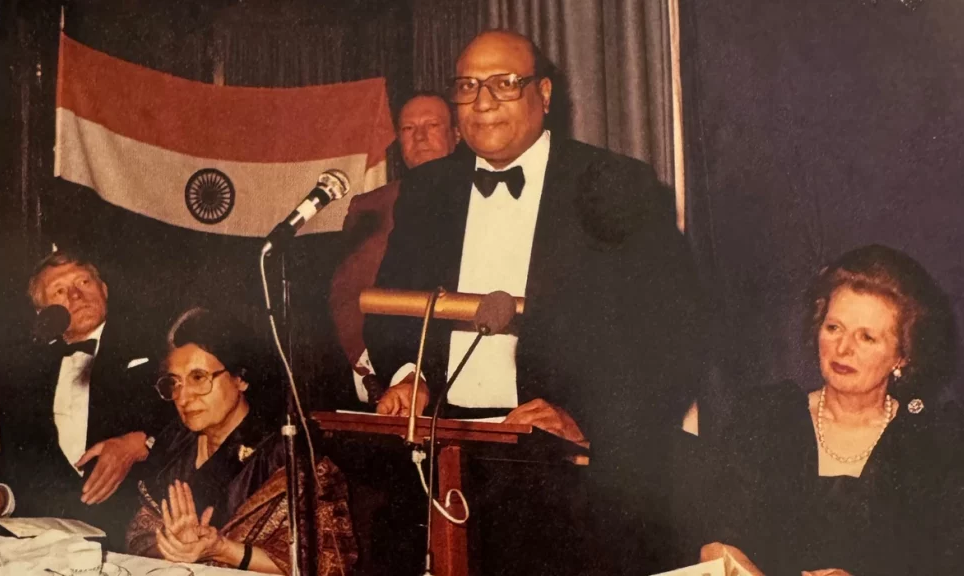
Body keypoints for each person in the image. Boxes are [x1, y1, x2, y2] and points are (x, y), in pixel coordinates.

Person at [364, 30, 704, 574]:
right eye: (468, 86)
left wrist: (584, 420)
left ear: (544, 94)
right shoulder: (427, 190)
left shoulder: (616, 183)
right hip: (444, 455)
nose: (482, 102)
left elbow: (674, 337)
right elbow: (388, 310)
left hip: (570, 471)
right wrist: (411, 375)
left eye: (504, 83)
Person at [701, 245, 964, 575]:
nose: (843, 349)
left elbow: (960, 563)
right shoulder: (765, 417)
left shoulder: (938, 442)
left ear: (903, 356)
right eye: (834, 328)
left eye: (867, 338)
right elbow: (719, 538)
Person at [126, 307, 357, 575]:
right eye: (174, 383)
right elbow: (138, 537)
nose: (183, 397)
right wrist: (172, 549)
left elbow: (328, 564)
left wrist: (222, 549)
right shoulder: (175, 444)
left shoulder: (288, 455)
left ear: (241, 378)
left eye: (199, 378)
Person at [0, 250, 171, 550]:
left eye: (84, 281)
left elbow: (192, 416)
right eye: (59, 290)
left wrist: (140, 443)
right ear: (43, 313)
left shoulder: (155, 341)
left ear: (104, 289)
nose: (75, 294)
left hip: (135, 534)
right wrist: (2, 494)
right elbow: (23, 463)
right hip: (50, 540)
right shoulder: (24, 372)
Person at [329, 91, 460, 405]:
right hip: (389, 378)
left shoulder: (483, 196)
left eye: (432, 125)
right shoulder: (370, 206)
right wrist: (375, 371)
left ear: (457, 134)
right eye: (408, 129)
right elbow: (345, 293)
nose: (420, 136)